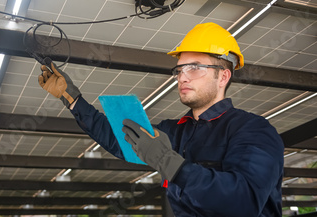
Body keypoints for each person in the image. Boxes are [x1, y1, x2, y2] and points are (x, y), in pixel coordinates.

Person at [38, 22, 285, 217]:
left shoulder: (254, 131)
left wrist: (169, 162)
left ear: (223, 77)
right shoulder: (175, 131)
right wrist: (73, 99)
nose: (183, 77)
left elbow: (244, 202)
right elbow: (121, 140)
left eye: (195, 68)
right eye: (180, 69)